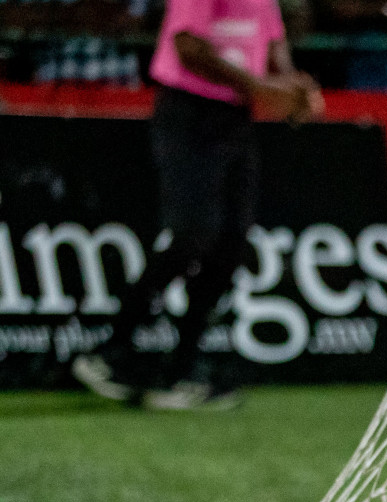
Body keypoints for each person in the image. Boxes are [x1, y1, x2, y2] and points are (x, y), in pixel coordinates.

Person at [71, 0, 321, 410]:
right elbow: (188, 48)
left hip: (234, 119)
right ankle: (109, 351)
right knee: (193, 237)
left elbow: (274, 52)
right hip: (188, 113)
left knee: (230, 245)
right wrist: (260, 88)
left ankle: (182, 371)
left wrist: (296, 91)